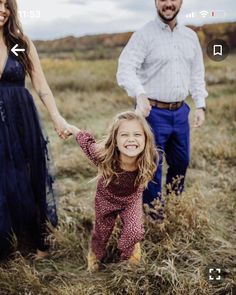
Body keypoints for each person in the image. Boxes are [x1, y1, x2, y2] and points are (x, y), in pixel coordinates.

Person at [116, 0, 208, 208]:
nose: (168, 4)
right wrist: (139, 94)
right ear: (156, 2)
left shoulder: (190, 37)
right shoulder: (144, 35)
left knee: (181, 162)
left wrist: (200, 104)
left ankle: (175, 206)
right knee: (151, 165)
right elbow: (125, 69)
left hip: (180, 111)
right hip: (152, 113)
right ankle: (153, 212)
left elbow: (196, 73)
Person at [0, 0, 71, 259]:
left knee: (27, 178)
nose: (2, 9)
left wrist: (58, 118)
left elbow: (41, 86)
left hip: (21, 119)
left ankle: (35, 242)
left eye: (6, 4)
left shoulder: (19, 42)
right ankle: (5, 247)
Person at [68, 111, 157, 271]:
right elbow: (87, 144)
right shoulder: (103, 155)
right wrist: (71, 128)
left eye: (137, 134)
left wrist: (126, 243)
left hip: (131, 200)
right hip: (106, 199)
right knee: (102, 232)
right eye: (124, 135)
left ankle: (128, 254)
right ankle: (95, 254)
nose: (131, 139)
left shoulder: (150, 157)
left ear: (146, 139)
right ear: (115, 140)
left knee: (134, 231)